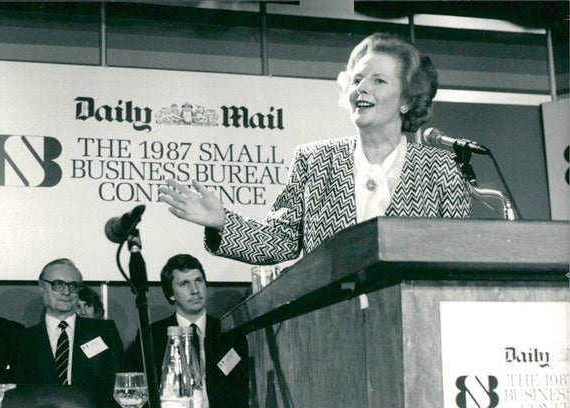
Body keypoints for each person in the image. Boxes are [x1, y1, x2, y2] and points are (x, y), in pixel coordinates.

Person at [158, 33, 471, 264]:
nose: (361, 88)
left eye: (378, 81)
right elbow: (279, 241)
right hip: (333, 322)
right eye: (358, 79)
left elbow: (460, 255)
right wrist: (223, 222)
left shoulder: (442, 168)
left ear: (406, 100)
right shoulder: (315, 160)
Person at [127, 254, 249, 408]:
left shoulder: (230, 332)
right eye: (185, 284)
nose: (195, 290)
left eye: (198, 281)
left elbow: (243, 393)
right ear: (171, 294)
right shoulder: (151, 336)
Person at [12, 258, 124, 408]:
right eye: (58, 284)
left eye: (73, 286)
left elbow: (117, 387)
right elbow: (19, 397)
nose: (66, 292)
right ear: (41, 287)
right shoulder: (22, 340)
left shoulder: (104, 332)